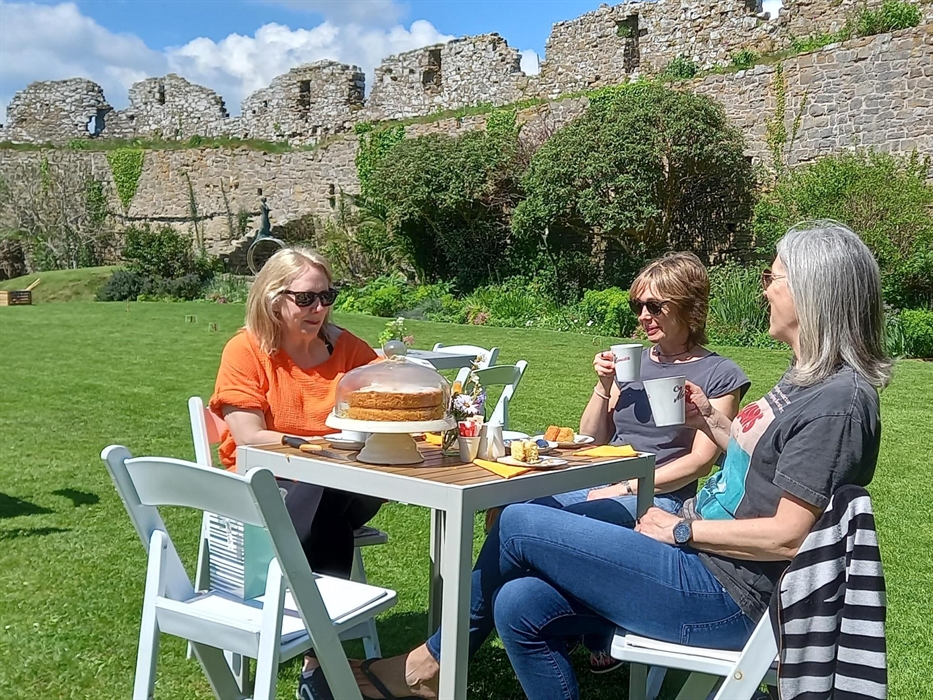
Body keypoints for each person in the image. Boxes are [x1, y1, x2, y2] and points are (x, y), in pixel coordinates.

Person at [348, 221, 890, 700]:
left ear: (814, 293)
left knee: (516, 520)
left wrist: (682, 530)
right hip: (706, 563)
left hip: (730, 596)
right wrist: (714, 422)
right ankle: (433, 667)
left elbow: (788, 536)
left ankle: (426, 667)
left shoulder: (838, 402)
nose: (764, 291)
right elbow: (758, 465)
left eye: (773, 278)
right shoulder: (807, 381)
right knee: (518, 604)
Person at [209, 246, 382, 698]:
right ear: (273, 298)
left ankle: (303, 638)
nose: (319, 308)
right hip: (264, 484)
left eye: (328, 296)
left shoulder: (346, 347)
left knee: (335, 490)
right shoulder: (246, 349)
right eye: (306, 299)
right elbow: (247, 435)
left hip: (342, 482)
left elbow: (389, 387)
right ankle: (320, 659)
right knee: (329, 511)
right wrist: (316, 446)